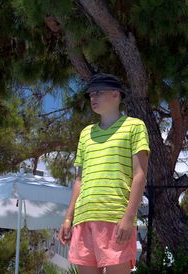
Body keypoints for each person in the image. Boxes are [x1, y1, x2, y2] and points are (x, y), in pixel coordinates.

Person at [59, 73, 150, 274]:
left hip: (115, 217)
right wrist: (68, 219)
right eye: (91, 94)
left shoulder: (134, 127)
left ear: (116, 94)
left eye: (99, 92)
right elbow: (79, 180)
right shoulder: (85, 134)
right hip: (84, 218)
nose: (93, 98)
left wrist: (128, 217)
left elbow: (140, 175)